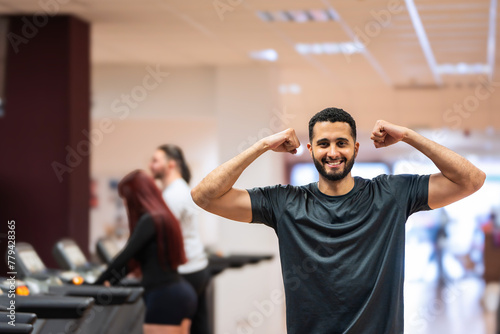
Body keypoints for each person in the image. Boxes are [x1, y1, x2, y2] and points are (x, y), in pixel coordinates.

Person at [190, 108, 486, 334]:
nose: (333, 152)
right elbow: (205, 196)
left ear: (356, 148)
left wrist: (409, 136)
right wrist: (263, 145)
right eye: (323, 144)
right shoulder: (285, 202)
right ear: (311, 150)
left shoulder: (391, 194)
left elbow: (471, 180)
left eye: (342, 143)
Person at [95, 170, 197, 334]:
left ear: (136, 197)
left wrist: (95, 284)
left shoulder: (150, 220)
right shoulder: (165, 216)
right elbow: (130, 262)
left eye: (127, 199)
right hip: (180, 292)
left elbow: (125, 256)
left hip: (164, 297)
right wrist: (109, 282)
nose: (127, 204)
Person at [150, 145, 211, 334]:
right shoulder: (182, 189)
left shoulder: (173, 195)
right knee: (197, 327)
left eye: (155, 160)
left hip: (184, 271)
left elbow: (162, 236)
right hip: (196, 267)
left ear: (171, 164)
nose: (151, 165)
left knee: (176, 328)